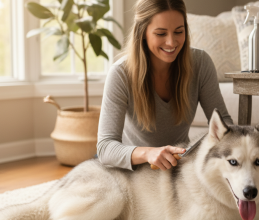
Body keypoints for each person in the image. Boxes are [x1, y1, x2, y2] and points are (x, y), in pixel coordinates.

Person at [97, 0, 233, 171]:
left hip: (178, 168)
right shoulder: (121, 73)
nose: (171, 42)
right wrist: (149, 153)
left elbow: (224, 123)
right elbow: (105, 148)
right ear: (143, 33)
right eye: (161, 33)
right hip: (134, 171)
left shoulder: (200, 63)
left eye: (179, 31)